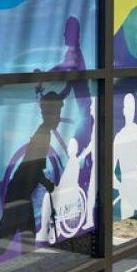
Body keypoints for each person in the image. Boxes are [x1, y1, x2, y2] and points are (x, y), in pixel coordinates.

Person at [0, 91, 63, 257]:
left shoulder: (43, 133)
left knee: (20, 236)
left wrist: (46, 183)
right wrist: (47, 184)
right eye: (56, 113)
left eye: (59, 113)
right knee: (9, 238)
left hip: (21, 192)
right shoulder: (43, 135)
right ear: (47, 114)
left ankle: (21, 268)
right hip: (19, 193)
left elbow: (34, 168)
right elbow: (34, 168)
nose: (58, 118)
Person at [36, 98, 96, 242]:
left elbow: (91, 145)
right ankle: (45, 229)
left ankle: (44, 230)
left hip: (70, 192)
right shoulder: (75, 160)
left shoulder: (74, 162)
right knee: (50, 193)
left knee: (47, 196)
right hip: (70, 189)